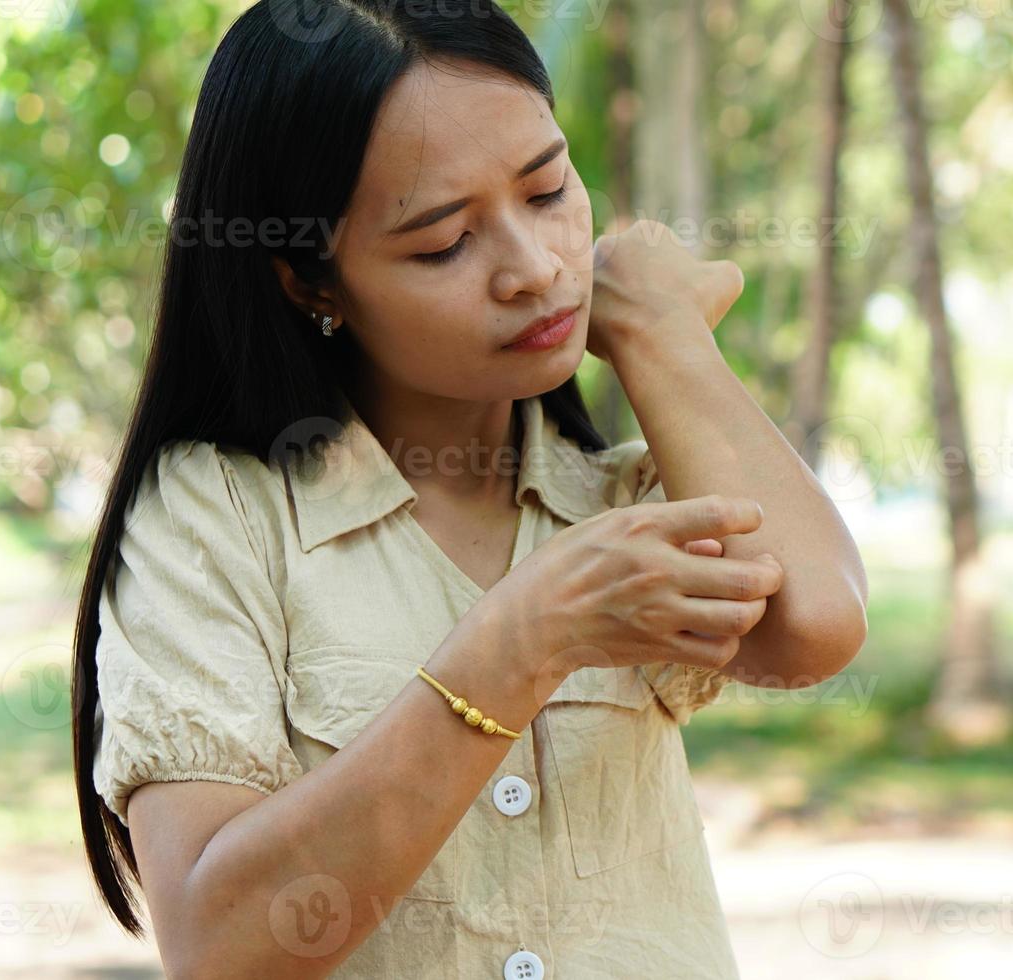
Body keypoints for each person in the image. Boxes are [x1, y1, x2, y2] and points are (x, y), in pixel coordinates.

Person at [70, 1, 868, 976]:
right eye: (444, 241)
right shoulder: (217, 515)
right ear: (310, 280)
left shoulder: (624, 496)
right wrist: (519, 641)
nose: (535, 270)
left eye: (547, 191)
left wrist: (661, 330)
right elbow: (219, 941)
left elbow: (814, 626)